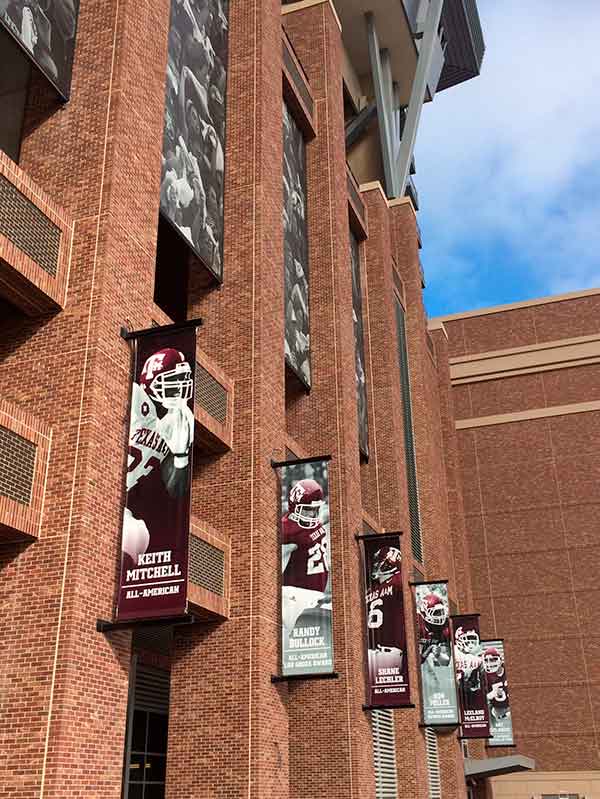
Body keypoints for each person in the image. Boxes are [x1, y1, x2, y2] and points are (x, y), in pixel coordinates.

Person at [121, 348, 195, 566]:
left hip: (119, 499)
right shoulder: (134, 395)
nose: (181, 386)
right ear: (151, 380)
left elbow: (175, 490)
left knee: (137, 532)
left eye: (184, 379)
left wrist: (181, 455)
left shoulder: (179, 419)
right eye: (174, 379)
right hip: (95, 485)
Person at [281, 478, 329, 637]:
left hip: (314, 594)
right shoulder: (287, 530)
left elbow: (324, 515)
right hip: (295, 595)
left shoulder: (313, 521)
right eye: (309, 510)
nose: (313, 514)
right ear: (295, 507)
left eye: (315, 510)